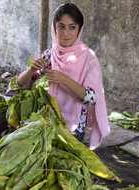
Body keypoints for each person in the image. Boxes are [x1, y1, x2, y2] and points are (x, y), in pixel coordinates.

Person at [16, 3, 110, 150]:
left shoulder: (88, 58)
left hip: (73, 128)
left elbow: (92, 98)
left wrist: (64, 80)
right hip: (46, 120)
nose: (66, 33)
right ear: (55, 28)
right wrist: (30, 70)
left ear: (79, 29)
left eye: (72, 27)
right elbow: (20, 84)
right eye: (61, 26)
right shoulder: (50, 55)